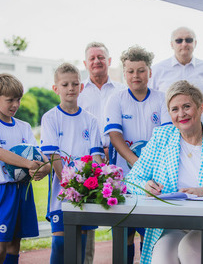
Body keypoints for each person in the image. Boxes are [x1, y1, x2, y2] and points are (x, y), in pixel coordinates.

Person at [128, 80, 203, 264]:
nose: (181, 114)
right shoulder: (161, 138)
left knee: (189, 250)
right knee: (161, 258)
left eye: (187, 106)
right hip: (172, 226)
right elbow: (132, 178)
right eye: (174, 109)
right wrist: (145, 186)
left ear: (200, 108)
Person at [104, 45, 171, 264]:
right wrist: (136, 162)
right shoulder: (116, 99)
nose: (136, 76)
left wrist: (147, 167)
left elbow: (167, 135)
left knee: (150, 232)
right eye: (130, 71)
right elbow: (114, 135)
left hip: (155, 177)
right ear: (124, 73)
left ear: (150, 72)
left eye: (141, 70)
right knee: (125, 233)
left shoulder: (162, 98)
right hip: (124, 176)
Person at [40, 63, 104, 264]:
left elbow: (96, 158)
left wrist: (91, 183)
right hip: (62, 193)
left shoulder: (91, 120)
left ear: (81, 87)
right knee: (60, 244)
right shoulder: (50, 118)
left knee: (81, 248)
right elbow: (54, 156)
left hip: (86, 193)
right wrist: (69, 185)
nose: (70, 88)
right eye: (65, 84)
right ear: (56, 88)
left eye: (75, 84)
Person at [79, 41, 124, 263]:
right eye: (92, 58)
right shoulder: (78, 91)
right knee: (86, 214)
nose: (97, 61)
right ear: (86, 63)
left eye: (101, 57)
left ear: (109, 61)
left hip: (118, 154)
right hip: (88, 158)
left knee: (123, 211)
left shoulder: (121, 90)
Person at [0, 73, 51, 264]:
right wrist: (28, 164)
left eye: (18, 99)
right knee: (1, 246)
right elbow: (2, 152)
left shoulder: (24, 127)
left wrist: (44, 167)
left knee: (14, 243)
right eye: (10, 100)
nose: (15, 104)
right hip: (3, 191)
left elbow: (37, 153)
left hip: (22, 190)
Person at [149, 26, 203, 126]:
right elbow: (151, 101)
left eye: (189, 40)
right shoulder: (157, 70)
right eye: (179, 40)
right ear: (171, 44)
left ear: (195, 43)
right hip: (167, 130)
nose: (184, 44)